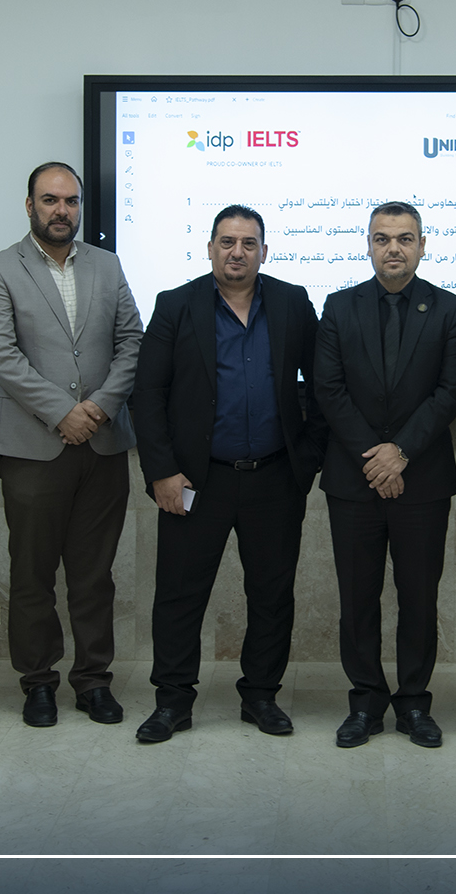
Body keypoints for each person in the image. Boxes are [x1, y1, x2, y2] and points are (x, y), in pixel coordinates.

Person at [130, 205, 327, 743]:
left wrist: (307, 458)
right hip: (197, 481)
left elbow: (323, 384)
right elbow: (147, 394)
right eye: (227, 241)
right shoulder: (176, 305)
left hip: (275, 478)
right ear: (210, 247)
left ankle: (261, 696)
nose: (237, 252)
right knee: (179, 595)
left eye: (248, 243)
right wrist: (162, 472)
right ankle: (173, 702)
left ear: (264, 251)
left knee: (272, 594)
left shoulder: (291, 301)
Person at [0, 162, 144, 729]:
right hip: (32, 447)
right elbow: (1, 353)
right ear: (30, 206)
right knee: (33, 573)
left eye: (70, 201)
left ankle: (93, 680)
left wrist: (97, 408)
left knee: (95, 575)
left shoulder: (107, 264)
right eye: (50, 200)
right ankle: (38, 682)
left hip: (102, 443)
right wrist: (61, 413)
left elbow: (131, 342)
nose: (61, 210)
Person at [313, 202, 456, 749]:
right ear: (369, 245)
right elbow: (328, 388)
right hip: (353, 480)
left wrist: (400, 452)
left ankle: (414, 704)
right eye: (382, 239)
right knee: (357, 598)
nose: (394, 248)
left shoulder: (449, 308)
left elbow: (452, 390)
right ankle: (365, 703)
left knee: (418, 597)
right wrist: (376, 458)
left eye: (405, 238)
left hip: (422, 479)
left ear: (423, 246)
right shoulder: (339, 306)